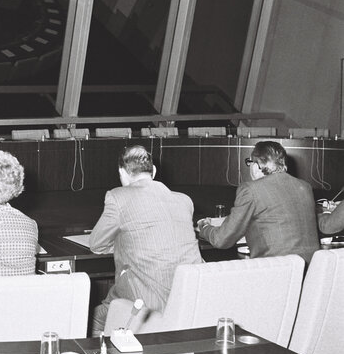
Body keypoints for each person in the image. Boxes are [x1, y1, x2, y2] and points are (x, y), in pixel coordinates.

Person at [87, 145, 202, 334]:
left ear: (121, 172)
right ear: (154, 171)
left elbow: (96, 244)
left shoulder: (117, 197)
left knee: (92, 318)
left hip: (143, 304)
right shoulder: (184, 200)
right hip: (186, 302)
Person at [198, 141, 319, 265]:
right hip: (311, 271)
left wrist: (204, 228)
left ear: (256, 166)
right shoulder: (305, 187)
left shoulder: (251, 190)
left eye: (249, 163)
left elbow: (221, 239)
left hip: (276, 272)